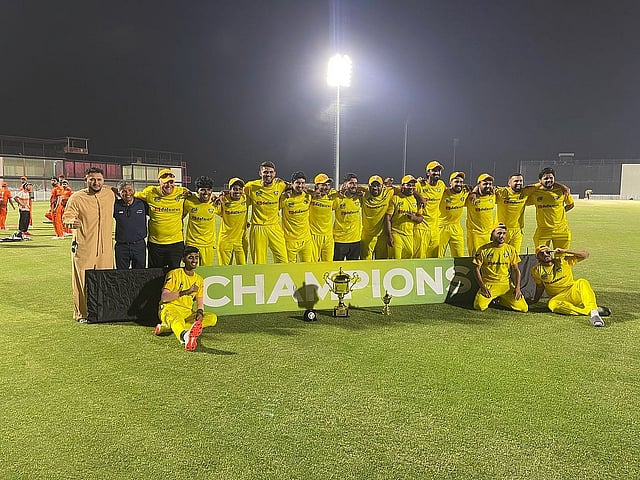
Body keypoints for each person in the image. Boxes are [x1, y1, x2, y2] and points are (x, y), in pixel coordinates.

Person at [62, 167, 116, 322]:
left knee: (106, 279)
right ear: (85, 180)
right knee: (82, 280)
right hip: (84, 246)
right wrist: (71, 222)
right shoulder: (76, 198)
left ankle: (104, 311)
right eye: (92, 179)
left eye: (99, 179)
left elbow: (122, 192)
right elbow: (67, 216)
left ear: (103, 180)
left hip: (105, 248)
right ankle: (82, 313)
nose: (96, 182)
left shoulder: (110, 194)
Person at [529, 245, 610, 327]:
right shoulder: (536, 270)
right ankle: (589, 311)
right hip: (558, 297)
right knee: (552, 305)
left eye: (547, 252)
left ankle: (594, 314)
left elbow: (585, 254)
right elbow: (540, 287)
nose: (546, 254)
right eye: (542, 253)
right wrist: (535, 300)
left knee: (582, 282)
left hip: (573, 292)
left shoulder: (563, 261)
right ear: (538, 258)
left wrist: (564, 251)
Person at [155, 246, 218, 351]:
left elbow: (200, 302)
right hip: (170, 308)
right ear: (183, 259)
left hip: (187, 313)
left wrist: (200, 312)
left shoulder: (199, 280)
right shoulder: (174, 274)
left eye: (196, 257)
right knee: (176, 319)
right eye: (190, 257)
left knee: (212, 318)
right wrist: (186, 292)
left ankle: (167, 327)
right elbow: (164, 297)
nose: (194, 260)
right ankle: (185, 336)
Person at [135, 168, 190, 269]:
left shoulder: (182, 192)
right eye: (165, 183)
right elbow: (130, 196)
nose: (169, 185)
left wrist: (214, 197)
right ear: (159, 182)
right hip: (155, 243)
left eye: (171, 182)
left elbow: (198, 198)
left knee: (174, 273)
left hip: (176, 243)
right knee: (154, 273)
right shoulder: (150, 192)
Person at [473, 223, 528, 312]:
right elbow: (476, 269)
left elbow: (516, 270)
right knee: (479, 306)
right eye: (499, 233)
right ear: (492, 234)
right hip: (489, 284)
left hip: (506, 285)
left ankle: (501, 300)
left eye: (504, 233)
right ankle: (494, 298)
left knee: (524, 308)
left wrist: (517, 288)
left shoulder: (511, 249)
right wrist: (483, 287)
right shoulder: (483, 250)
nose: (502, 236)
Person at [244, 161, 288, 264]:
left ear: (274, 174)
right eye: (265, 172)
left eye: (271, 172)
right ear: (260, 173)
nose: (268, 174)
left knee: (283, 260)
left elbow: (294, 187)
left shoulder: (280, 185)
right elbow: (237, 194)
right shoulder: (251, 186)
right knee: (259, 263)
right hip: (258, 227)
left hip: (274, 227)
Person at [527, 167, 574, 250]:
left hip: (561, 231)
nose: (549, 180)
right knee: (541, 256)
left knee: (561, 257)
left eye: (551, 178)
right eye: (545, 178)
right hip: (543, 232)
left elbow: (571, 205)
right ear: (540, 180)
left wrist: (560, 211)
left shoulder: (561, 191)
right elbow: (523, 195)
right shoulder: (535, 193)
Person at [414, 160, 447, 258]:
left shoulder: (441, 185)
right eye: (434, 170)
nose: (437, 173)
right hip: (421, 228)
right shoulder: (419, 185)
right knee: (419, 259)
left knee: (434, 259)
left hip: (435, 229)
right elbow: (407, 189)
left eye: (438, 171)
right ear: (428, 172)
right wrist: (420, 197)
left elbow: (451, 191)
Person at [385, 175, 423, 259]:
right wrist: (389, 236)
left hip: (409, 236)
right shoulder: (395, 198)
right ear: (402, 186)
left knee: (408, 258)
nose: (411, 187)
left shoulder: (416, 200)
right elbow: (388, 218)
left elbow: (420, 218)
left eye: (413, 185)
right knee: (396, 260)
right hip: (396, 233)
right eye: (408, 185)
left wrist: (413, 218)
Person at [280, 171, 313, 262]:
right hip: (290, 241)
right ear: (292, 184)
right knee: (290, 268)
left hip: (306, 240)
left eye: (303, 183)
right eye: (297, 183)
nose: (300, 185)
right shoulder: (285, 198)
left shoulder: (308, 197)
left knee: (307, 267)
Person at [184, 176, 217, 266]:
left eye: (208, 190)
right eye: (202, 190)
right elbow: (180, 216)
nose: (206, 192)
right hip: (192, 244)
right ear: (197, 191)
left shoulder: (214, 202)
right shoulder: (189, 201)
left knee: (206, 272)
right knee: (191, 270)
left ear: (211, 191)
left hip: (208, 245)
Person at [113, 180, 147, 269]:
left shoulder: (142, 204)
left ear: (134, 190)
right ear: (119, 193)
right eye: (123, 191)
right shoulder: (115, 205)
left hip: (139, 245)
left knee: (140, 273)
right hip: (121, 247)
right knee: (122, 274)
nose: (128, 193)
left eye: (130, 190)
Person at [360, 175, 395, 260]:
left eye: (378, 185)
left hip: (382, 235)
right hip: (367, 235)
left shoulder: (388, 192)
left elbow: (405, 188)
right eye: (373, 185)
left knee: (381, 262)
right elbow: (351, 188)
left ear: (382, 186)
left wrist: (420, 198)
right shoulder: (363, 194)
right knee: (365, 262)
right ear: (368, 186)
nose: (375, 188)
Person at [215, 177, 249, 265]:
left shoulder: (246, 199)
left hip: (240, 241)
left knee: (243, 268)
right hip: (225, 240)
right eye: (235, 189)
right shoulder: (223, 200)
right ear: (230, 190)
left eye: (240, 189)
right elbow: (214, 211)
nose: (238, 191)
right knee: (225, 270)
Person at [438, 171, 469, 257]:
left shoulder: (465, 192)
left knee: (459, 256)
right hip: (441, 227)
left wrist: (473, 192)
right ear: (450, 183)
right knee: (438, 256)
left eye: (461, 182)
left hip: (456, 227)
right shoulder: (443, 193)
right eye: (456, 181)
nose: (459, 184)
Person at [465, 173, 496, 257]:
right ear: (479, 184)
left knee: (489, 258)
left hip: (489, 234)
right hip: (475, 235)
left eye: (490, 184)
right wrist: (473, 192)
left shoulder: (493, 195)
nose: (488, 186)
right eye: (485, 184)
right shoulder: (471, 198)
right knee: (476, 260)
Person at [333, 173, 362, 261]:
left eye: (355, 183)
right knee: (338, 267)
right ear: (345, 184)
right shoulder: (337, 199)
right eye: (351, 183)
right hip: (340, 240)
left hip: (356, 240)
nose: (354, 185)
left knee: (353, 267)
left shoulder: (359, 198)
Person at [309, 173, 337, 262]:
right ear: (317, 185)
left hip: (328, 237)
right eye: (324, 184)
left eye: (328, 184)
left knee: (328, 265)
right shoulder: (310, 197)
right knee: (313, 265)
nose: (327, 187)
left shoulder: (332, 196)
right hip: (313, 236)